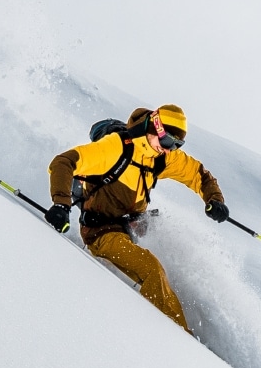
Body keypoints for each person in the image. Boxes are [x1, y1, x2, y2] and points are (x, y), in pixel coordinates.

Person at [44, 104, 229, 333]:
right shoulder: (115, 147)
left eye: (177, 145)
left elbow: (198, 174)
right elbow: (63, 162)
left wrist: (214, 200)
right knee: (152, 269)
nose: (170, 150)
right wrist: (61, 204)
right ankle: (176, 336)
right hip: (101, 230)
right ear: (155, 127)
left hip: (131, 222)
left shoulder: (161, 156)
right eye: (169, 142)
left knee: (166, 225)